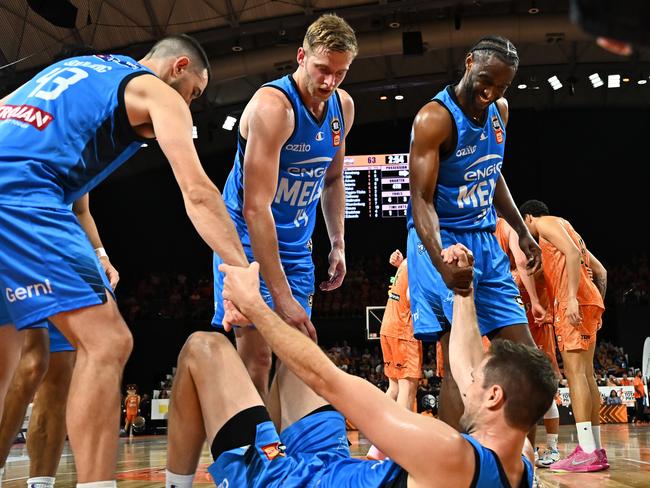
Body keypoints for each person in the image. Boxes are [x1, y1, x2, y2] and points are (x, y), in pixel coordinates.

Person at [0, 34, 249, 486]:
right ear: (178, 67)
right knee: (109, 342)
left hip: (23, 183)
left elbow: (67, 179)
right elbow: (197, 193)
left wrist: (96, 251)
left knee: (13, 363)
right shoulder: (153, 90)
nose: (190, 105)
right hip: (22, 193)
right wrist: (239, 270)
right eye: (193, 93)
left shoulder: (77, 70)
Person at [164, 244, 557, 488]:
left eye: (476, 380)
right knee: (294, 357)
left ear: (494, 396)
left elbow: (329, 379)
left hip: (291, 482)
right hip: (334, 467)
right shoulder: (518, 456)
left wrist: (253, 304)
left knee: (204, 347)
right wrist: (462, 290)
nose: (467, 382)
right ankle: (267, 440)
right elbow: (469, 360)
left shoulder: (449, 453)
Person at [210, 13, 357, 397]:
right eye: (323, 69)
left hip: (296, 243)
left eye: (340, 73)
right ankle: (255, 450)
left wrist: (338, 241)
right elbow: (255, 209)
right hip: (246, 240)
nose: (329, 81)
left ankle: (287, 446)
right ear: (301, 57)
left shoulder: (343, 107)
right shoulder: (274, 108)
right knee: (257, 356)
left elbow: (333, 178)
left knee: (296, 353)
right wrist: (280, 296)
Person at [406, 35, 542, 432]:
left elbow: (492, 170)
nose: (491, 91)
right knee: (460, 363)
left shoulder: (500, 110)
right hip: (441, 240)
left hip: (485, 239)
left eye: (502, 86)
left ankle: (518, 465)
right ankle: (456, 467)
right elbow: (421, 200)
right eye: (487, 79)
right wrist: (440, 262)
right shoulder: (434, 119)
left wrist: (519, 229)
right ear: (468, 63)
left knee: (524, 362)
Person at [0, 194, 117, 488]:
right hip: (15, 238)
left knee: (60, 377)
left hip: (61, 247)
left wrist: (100, 253)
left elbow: (81, 210)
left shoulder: (81, 150)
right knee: (31, 363)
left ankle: (41, 483)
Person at [519, 199, 608, 472]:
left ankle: (586, 451)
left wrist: (570, 298)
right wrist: (596, 305)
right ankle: (595, 449)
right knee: (587, 374)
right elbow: (601, 272)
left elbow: (570, 253)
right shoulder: (570, 229)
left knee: (576, 374)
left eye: (524, 223)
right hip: (589, 301)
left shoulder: (546, 224)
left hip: (575, 302)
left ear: (529, 217)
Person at [494, 217, 561, 468]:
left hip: (538, 327)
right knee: (516, 386)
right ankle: (521, 449)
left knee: (543, 386)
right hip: (519, 327)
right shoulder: (512, 257)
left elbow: (525, 268)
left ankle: (552, 447)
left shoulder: (535, 257)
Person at [367, 249, 422, 461]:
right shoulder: (418, 263)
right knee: (408, 389)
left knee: (394, 388)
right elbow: (410, 295)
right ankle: (398, 450)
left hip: (387, 327)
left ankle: (377, 446)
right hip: (403, 330)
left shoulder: (407, 263)